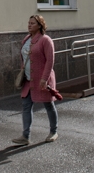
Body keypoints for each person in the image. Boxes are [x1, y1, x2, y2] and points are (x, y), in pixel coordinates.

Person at [12, 14, 59, 145]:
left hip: (42, 80)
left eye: (32, 23)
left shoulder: (45, 40)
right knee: (26, 106)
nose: (29, 25)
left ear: (40, 25)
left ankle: (53, 131)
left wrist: (44, 79)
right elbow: (24, 57)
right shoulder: (26, 39)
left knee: (48, 104)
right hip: (28, 80)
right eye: (29, 23)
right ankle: (25, 136)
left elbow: (50, 61)